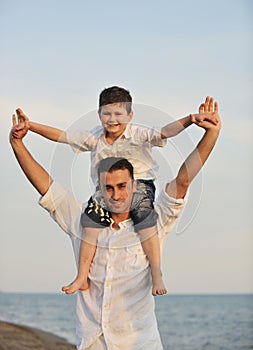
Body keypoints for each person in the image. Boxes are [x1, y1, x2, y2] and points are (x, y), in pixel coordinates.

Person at [10, 96, 221, 349]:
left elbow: (183, 180)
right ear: (99, 188)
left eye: (122, 186)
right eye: (108, 188)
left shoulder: (154, 222)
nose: (116, 195)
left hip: (140, 343)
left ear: (135, 186)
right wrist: (18, 142)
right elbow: (46, 187)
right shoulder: (84, 222)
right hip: (92, 343)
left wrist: (210, 134)